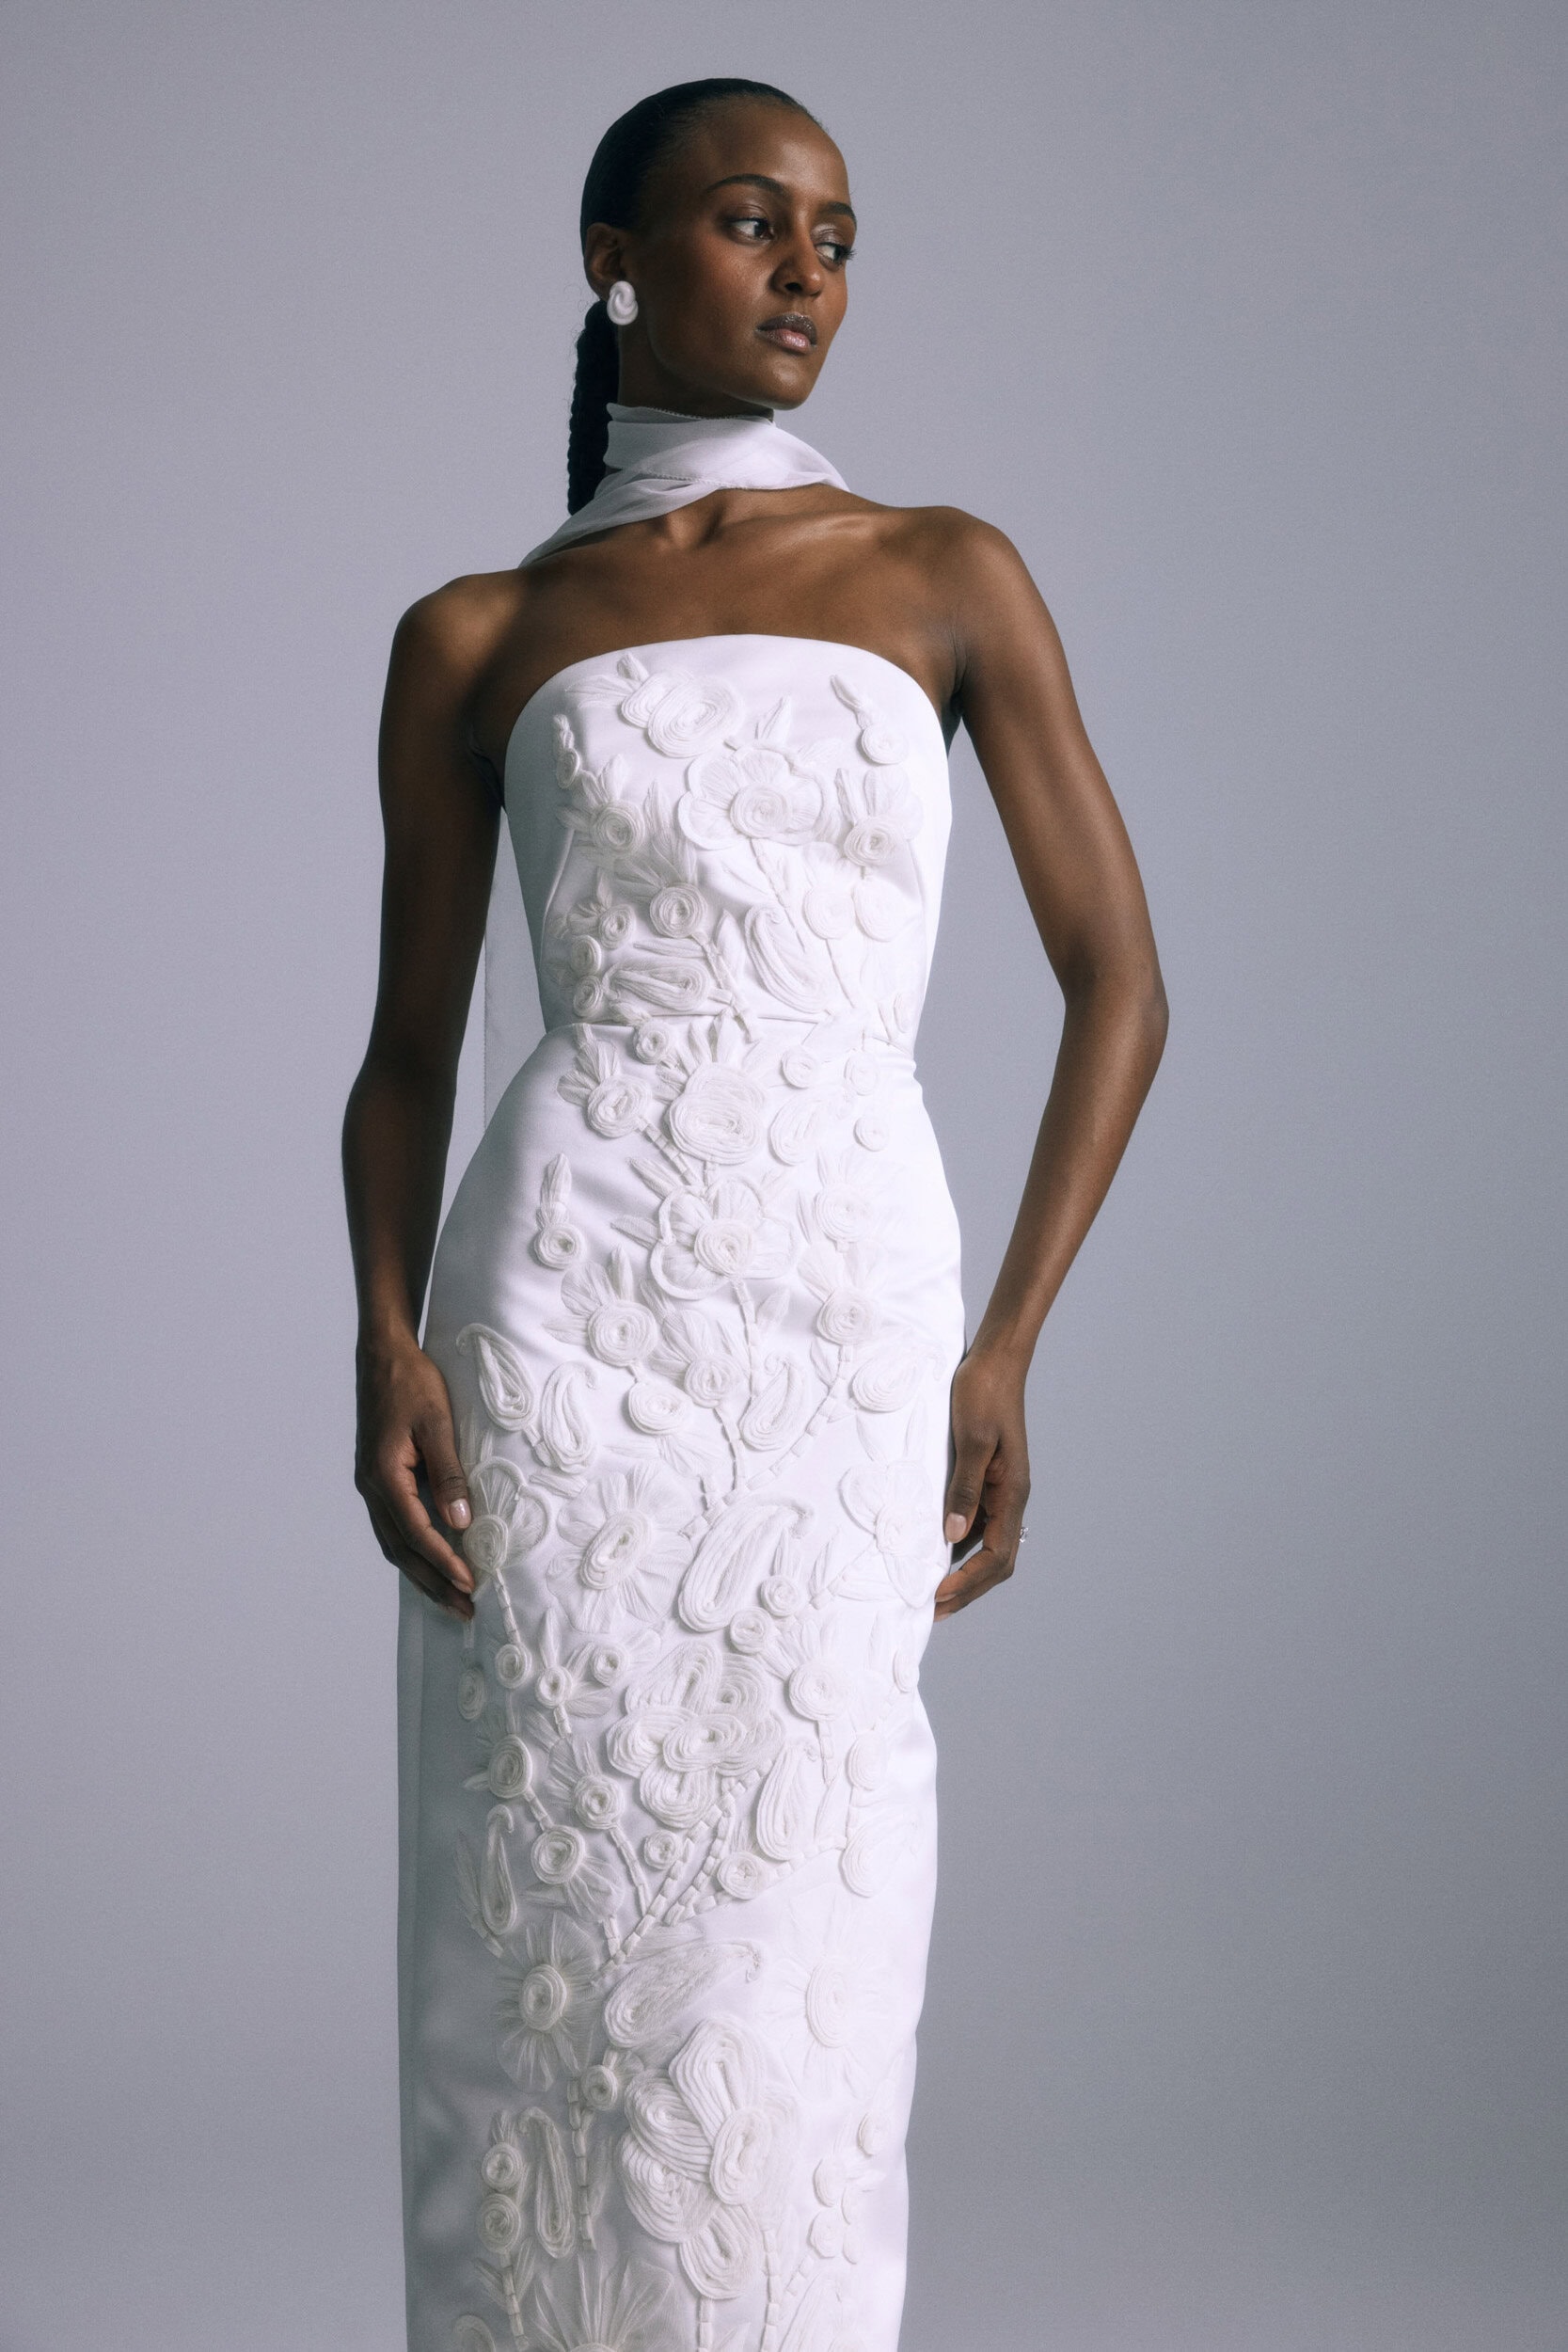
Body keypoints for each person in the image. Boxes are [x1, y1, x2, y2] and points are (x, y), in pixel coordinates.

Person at [343, 76, 1166, 2352]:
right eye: (750, 219)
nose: (810, 269)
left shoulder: (944, 571)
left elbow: (1122, 977)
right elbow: (407, 1051)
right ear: (614, 257)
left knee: (802, 1944)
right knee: (541, 1928)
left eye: (839, 235)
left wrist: (1005, 1343)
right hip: (559, 1320)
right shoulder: (476, 630)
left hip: (839, 1313)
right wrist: (387, 1340)